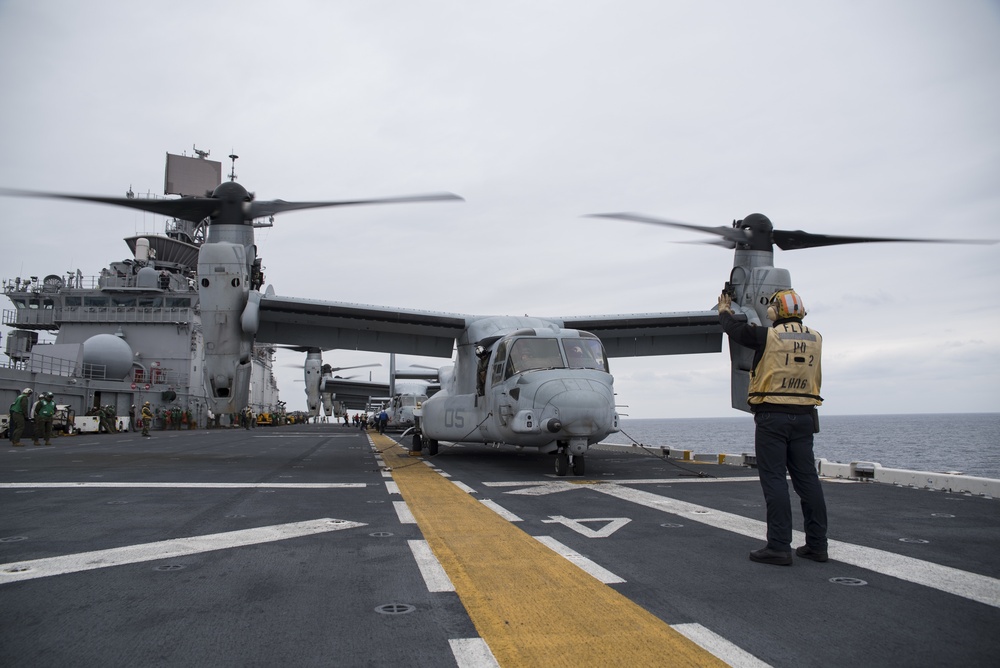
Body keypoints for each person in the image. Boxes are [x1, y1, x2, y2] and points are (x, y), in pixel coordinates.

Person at [718, 288, 828, 566]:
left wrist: (724, 310)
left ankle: (779, 546)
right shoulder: (816, 338)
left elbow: (736, 330)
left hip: (773, 418)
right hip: (805, 417)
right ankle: (818, 545)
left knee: (775, 480)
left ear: (776, 311)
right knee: (808, 482)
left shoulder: (769, 336)